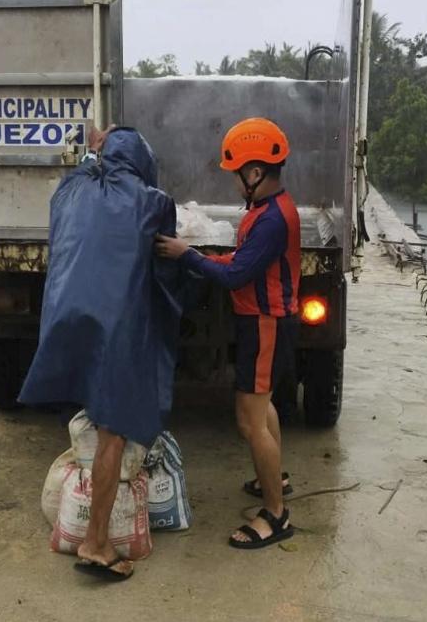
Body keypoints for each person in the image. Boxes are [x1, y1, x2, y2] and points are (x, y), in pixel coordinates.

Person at [18, 126, 183, 581]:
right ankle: (95, 542)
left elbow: (85, 171)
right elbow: (165, 264)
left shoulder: (70, 189)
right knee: (115, 428)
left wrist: (95, 152)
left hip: (65, 315)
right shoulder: (154, 203)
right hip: (117, 323)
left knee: (91, 405)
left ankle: (84, 521)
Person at [154, 117, 300, 550]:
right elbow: (244, 261)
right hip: (268, 320)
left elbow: (237, 275)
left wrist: (186, 255)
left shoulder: (271, 219)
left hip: (266, 323)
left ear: (255, 172)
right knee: (264, 405)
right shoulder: (268, 211)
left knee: (248, 418)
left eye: (237, 173)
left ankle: (275, 515)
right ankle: (274, 478)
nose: (236, 182)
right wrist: (206, 256)